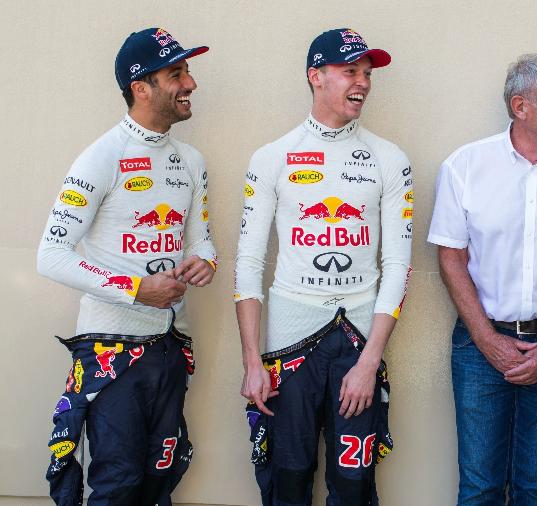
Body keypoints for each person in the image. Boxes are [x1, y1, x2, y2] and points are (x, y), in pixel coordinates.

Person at [36, 27, 216, 505]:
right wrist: (137, 288)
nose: (191, 83)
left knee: (161, 481)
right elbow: (51, 255)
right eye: (176, 73)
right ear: (141, 87)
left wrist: (206, 262)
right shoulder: (101, 157)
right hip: (109, 352)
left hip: (168, 346)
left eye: (188, 71)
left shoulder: (192, 160)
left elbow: (200, 240)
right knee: (116, 485)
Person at [235, 28, 412, 506]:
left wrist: (370, 361)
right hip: (288, 348)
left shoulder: (389, 159)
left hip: (358, 347)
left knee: (353, 488)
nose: (363, 83)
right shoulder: (272, 157)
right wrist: (253, 361)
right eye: (350, 71)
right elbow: (248, 264)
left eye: (368, 73)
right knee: (287, 481)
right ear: (316, 76)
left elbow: (398, 265)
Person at [428, 54, 537, 505]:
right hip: (479, 350)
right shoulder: (465, 166)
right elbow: (450, 257)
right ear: (520, 106)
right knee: (480, 488)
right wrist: (486, 338)